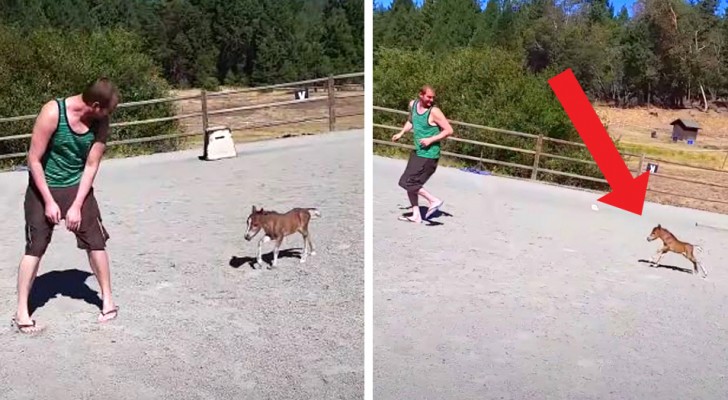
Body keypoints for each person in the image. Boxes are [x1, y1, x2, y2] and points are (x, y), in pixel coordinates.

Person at [13, 77, 120, 333]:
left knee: (96, 242)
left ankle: (108, 300)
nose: (109, 116)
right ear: (94, 105)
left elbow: (92, 164)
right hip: (43, 187)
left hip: (77, 186)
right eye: (107, 110)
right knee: (35, 246)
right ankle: (21, 311)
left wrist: (76, 204)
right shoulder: (53, 112)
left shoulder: (100, 121)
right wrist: (48, 201)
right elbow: (34, 159)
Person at [392, 85, 453, 223]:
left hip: (429, 155)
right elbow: (411, 121)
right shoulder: (412, 105)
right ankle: (416, 215)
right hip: (418, 152)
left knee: (406, 182)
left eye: (433, 98)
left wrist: (431, 139)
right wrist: (401, 133)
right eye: (428, 97)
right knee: (409, 182)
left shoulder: (434, 112)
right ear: (421, 95)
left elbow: (449, 130)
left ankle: (433, 200)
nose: (431, 100)